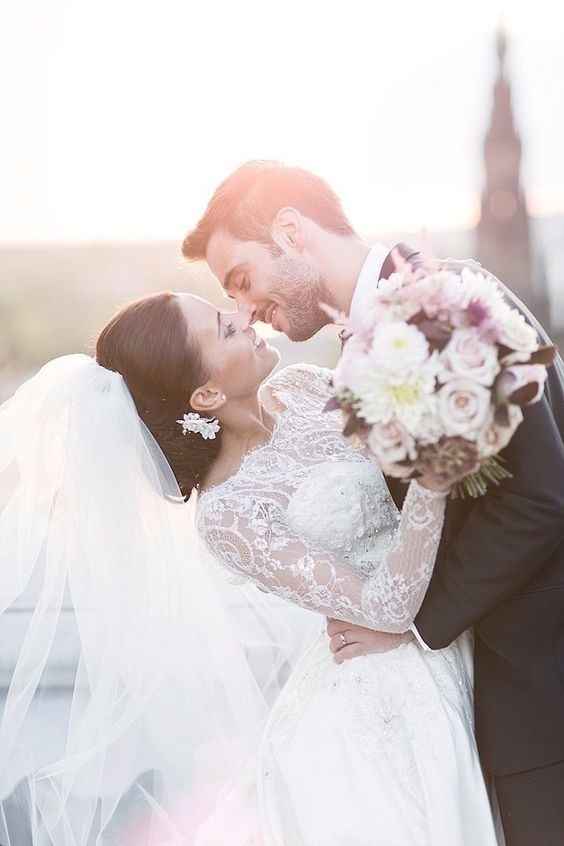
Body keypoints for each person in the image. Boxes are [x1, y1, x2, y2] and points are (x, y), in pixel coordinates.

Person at [0, 291, 498, 845]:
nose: (244, 317)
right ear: (207, 392)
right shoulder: (229, 514)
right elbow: (387, 606)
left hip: (465, 610)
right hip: (385, 689)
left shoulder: (306, 386)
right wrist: (437, 464)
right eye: (225, 327)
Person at [183, 160, 564, 846]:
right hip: (470, 704)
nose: (244, 310)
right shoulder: (361, 347)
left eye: (242, 279)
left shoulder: (449, 303)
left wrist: (412, 624)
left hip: (542, 690)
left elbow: (541, 496)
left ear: (291, 232)